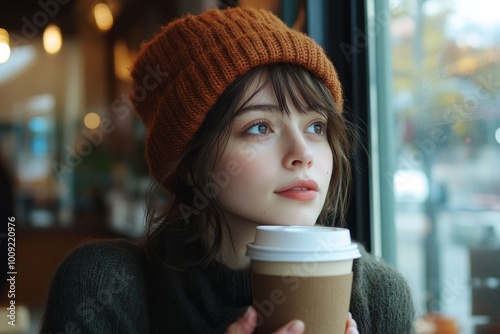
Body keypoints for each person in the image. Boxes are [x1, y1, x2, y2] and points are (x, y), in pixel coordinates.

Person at [40, 6, 415, 334]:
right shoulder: (106, 287)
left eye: (316, 127)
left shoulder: (378, 295)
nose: (303, 154)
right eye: (259, 128)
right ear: (190, 164)